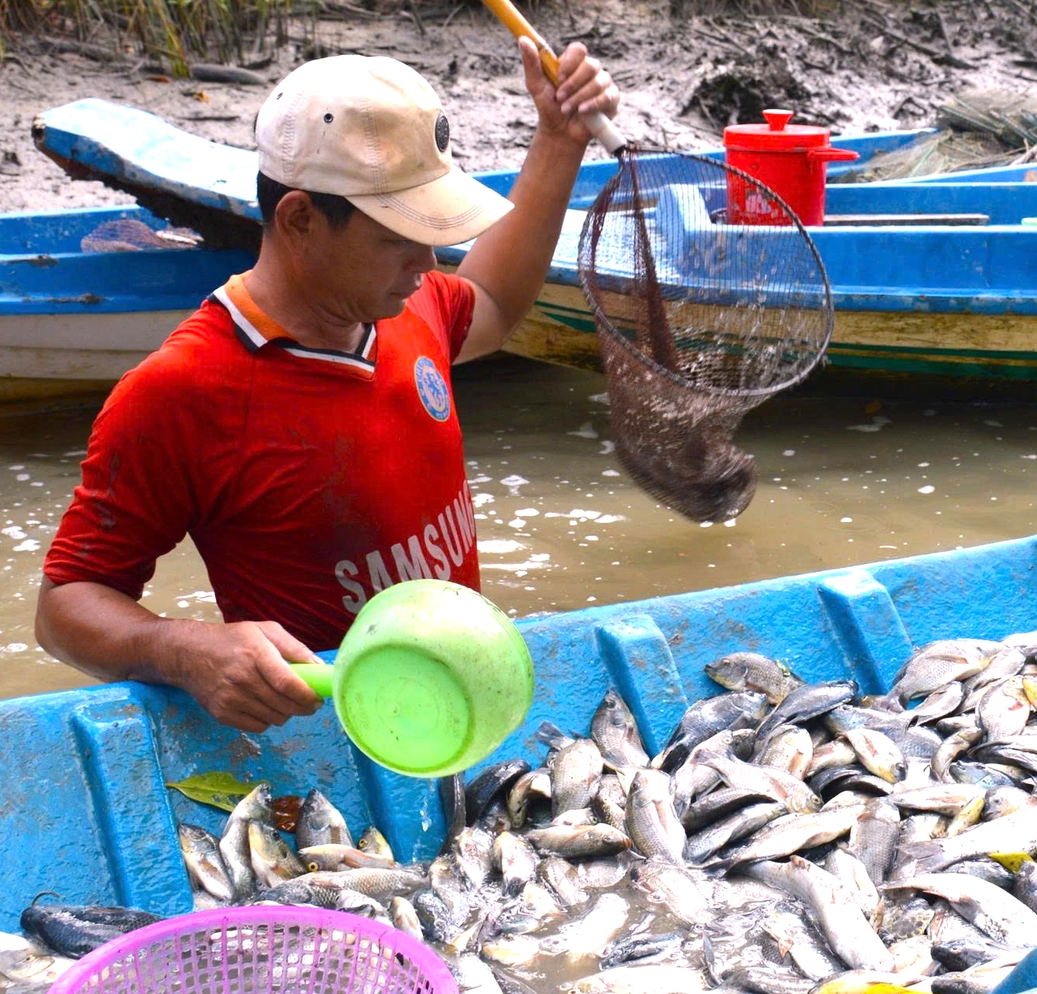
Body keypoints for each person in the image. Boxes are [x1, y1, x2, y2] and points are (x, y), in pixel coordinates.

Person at [35, 40, 619, 733]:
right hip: (324, 731)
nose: (428, 261)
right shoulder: (181, 392)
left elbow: (489, 300)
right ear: (301, 220)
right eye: (397, 236)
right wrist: (184, 648)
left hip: (454, 702)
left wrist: (558, 139)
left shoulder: (406, 302)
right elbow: (65, 604)